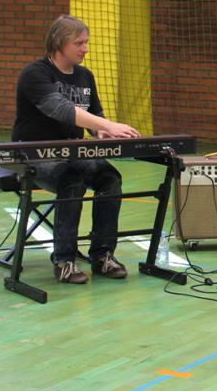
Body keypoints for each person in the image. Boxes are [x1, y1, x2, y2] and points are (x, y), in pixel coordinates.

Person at [12, 14, 141, 284]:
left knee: (110, 179)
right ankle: (64, 261)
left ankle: (103, 255)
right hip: (33, 155)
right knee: (71, 181)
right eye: (79, 43)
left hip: (73, 153)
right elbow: (60, 109)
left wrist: (101, 131)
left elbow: (94, 117)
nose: (86, 49)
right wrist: (108, 124)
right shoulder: (35, 74)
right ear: (59, 43)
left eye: (86, 42)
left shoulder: (85, 76)